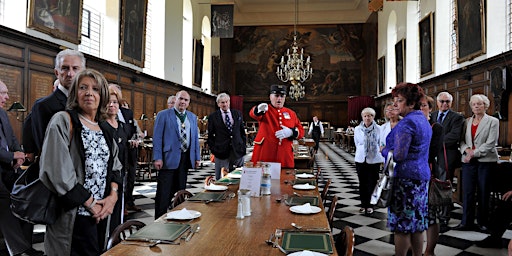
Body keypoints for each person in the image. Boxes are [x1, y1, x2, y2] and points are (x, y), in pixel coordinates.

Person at [39, 69, 122, 255]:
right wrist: (91, 203)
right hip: (74, 215)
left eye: (95, 89)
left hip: (101, 214)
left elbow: (116, 165)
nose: (89, 93)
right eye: (83, 87)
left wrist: (113, 196)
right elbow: (56, 171)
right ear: (75, 92)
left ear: (103, 95)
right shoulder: (63, 121)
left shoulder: (105, 128)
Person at [381, 83, 432, 256]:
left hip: (405, 180)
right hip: (421, 176)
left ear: (411, 104)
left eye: (400, 101)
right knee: (417, 224)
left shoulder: (407, 123)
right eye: (395, 100)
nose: (395, 104)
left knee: (402, 227)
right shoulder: (423, 120)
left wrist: (384, 150)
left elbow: (399, 155)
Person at [0, 80, 43, 256]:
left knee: (28, 198)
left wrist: (18, 153)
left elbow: (11, 139)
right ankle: (19, 250)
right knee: (3, 202)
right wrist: (12, 156)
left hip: (8, 170)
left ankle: (27, 244)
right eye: (3, 93)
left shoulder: (2, 114)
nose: (7, 97)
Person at [24, 49, 86, 162]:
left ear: (83, 73)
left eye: (75, 68)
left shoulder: (89, 104)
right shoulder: (43, 106)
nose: (70, 74)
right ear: (57, 72)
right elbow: (45, 148)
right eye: (65, 68)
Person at [454, 94, 499, 232]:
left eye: (479, 104)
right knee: (467, 192)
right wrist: (466, 150)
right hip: (468, 161)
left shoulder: (493, 121)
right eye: (474, 104)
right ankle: (466, 222)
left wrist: (473, 153)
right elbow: (461, 141)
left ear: (485, 105)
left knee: (483, 192)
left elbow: (491, 143)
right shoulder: (466, 121)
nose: (476, 106)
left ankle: (483, 222)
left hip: (485, 161)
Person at [153, 90, 200, 219]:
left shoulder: (191, 117)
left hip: (185, 158)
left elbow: (195, 138)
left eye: (186, 100)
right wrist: (157, 157)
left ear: (188, 103)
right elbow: (157, 138)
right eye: (181, 99)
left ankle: (178, 218)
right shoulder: (163, 115)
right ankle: (159, 220)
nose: (183, 102)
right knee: (164, 193)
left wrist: (197, 157)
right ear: (176, 100)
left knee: (180, 192)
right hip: (168, 159)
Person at [249, 84, 304, 168]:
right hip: (266, 153)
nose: (279, 99)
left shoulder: (291, 113)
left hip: (284, 155)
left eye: (282, 96)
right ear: (270, 97)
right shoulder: (265, 110)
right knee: (263, 178)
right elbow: (253, 114)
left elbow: (301, 131)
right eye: (276, 96)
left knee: (285, 178)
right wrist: (258, 109)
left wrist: (291, 132)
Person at [431, 91, 464, 231]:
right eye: (442, 101)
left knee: (444, 186)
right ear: (437, 103)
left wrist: (435, 142)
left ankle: (444, 217)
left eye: (447, 101)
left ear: (451, 102)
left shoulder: (457, 117)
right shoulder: (432, 116)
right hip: (432, 156)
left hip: (447, 155)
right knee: (432, 185)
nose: (445, 104)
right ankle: (433, 213)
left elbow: (454, 136)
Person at [108, 84, 141, 214]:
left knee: (131, 177)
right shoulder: (107, 116)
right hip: (118, 153)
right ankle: (120, 205)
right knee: (119, 179)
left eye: (115, 100)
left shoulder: (127, 112)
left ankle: (128, 201)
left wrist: (136, 139)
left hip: (130, 151)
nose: (112, 104)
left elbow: (134, 130)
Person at [420, 95, 444, 256]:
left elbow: (431, 152)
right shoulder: (409, 124)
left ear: (430, 108)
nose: (420, 109)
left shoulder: (436, 127)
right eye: (417, 106)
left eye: (423, 106)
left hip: (428, 172)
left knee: (431, 214)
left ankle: (429, 251)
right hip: (410, 174)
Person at [104, 86, 131, 232]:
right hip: (108, 174)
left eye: (115, 102)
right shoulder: (101, 125)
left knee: (119, 208)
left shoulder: (122, 126)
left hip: (121, 173)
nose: (112, 105)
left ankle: (116, 236)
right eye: (108, 102)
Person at [207, 93, 246, 180]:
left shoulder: (237, 114)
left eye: (226, 102)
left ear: (229, 102)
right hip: (221, 152)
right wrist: (215, 150)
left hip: (237, 151)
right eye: (222, 102)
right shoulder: (213, 117)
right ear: (218, 104)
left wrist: (243, 147)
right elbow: (210, 136)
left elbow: (242, 132)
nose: (225, 104)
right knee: (222, 179)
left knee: (239, 178)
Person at [354, 107, 383, 215]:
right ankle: (363, 204)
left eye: (370, 116)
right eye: (365, 116)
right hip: (361, 159)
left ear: (373, 117)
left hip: (374, 159)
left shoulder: (379, 129)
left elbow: (380, 143)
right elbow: (357, 143)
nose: (367, 118)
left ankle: (370, 205)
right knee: (362, 183)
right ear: (362, 117)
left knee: (372, 182)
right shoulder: (357, 129)